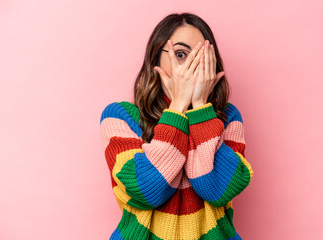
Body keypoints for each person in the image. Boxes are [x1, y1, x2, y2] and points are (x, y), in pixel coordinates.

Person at [100, 12, 254, 240]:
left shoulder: (227, 117)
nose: (191, 67)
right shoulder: (120, 115)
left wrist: (200, 107)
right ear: (155, 59)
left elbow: (218, 191)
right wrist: (179, 107)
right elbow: (146, 190)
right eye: (181, 54)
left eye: (201, 58)